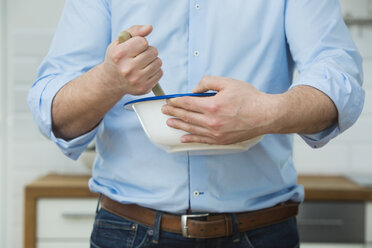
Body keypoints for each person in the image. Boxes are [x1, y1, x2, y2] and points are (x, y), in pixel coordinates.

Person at [27, 0, 364, 247]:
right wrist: (108, 80)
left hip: (263, 232)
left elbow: (341, 81)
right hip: (128, 232)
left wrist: (266, 112)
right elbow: (54, 115)